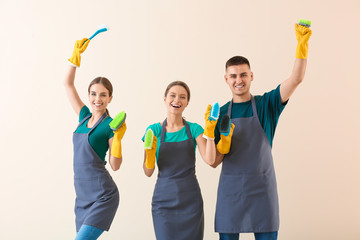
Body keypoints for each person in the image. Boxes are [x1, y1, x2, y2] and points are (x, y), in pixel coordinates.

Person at [211, 23, 312, 240]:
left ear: (251, 76)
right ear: (226, 79)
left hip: (262, 191)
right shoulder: (219, 115)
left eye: (243, 75)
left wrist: (302, 46)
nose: (239, 80)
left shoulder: (267, 104)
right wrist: (215, 138)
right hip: (230, 193)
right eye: (234, 76)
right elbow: (215, 160)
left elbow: (296, 79)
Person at [64, 38, 126, 240]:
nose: (97, 99)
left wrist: (117, 139)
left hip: (103, 195)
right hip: (82, 196)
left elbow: (115, 166)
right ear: (88, 95)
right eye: (93, 94)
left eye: (103, 95)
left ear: (110, 98)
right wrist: (75, 58)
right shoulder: (83, 117)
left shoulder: (110, 125)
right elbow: (67, 84)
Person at [142, 81, 217, 240]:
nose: (177, 100)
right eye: (173, 95)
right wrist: (149, 155)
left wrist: (209, 132)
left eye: (182, 97)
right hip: (163, 202)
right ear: (164, 99)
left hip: (190, 201)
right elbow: (148, 172)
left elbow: (211, 160)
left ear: (187, 102)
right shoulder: (153, 131)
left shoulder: (195, 129)